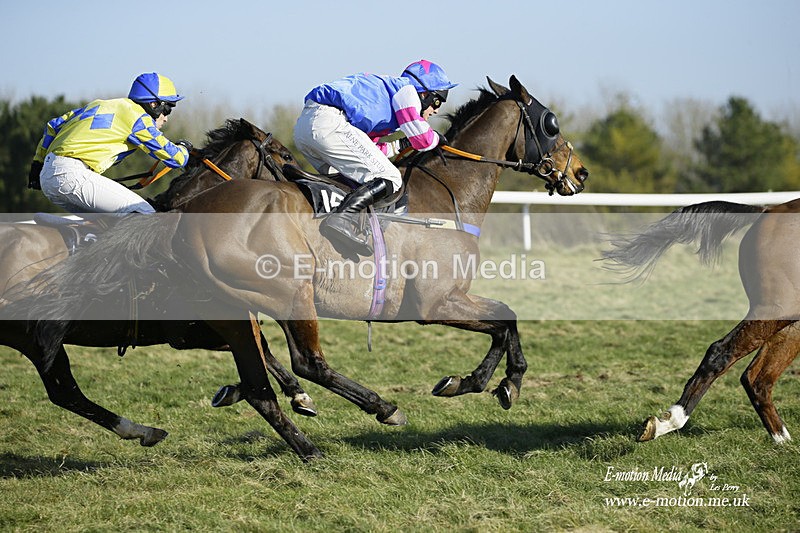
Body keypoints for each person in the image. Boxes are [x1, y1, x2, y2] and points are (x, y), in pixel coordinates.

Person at [294, 59, 457, 256]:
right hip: (328, 122)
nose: (436, 110)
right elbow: (423, 139)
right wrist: (437, 138)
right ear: (424, 93)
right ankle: (343, 218)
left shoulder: (385, 102)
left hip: (307, 128)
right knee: (392, 178)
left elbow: (370, 151)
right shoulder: (407, 92)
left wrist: (400, 144)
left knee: (352, 182)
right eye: (437, 101)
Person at [29, 72, 193, 215]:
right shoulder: (137, 116)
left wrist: (37, 164)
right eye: (167, 109)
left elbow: (53, 126)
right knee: (147, 216)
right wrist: (184, 149)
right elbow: (175, 158)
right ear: (154, 104)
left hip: (48, 179)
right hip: (71, 175)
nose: (166, 118)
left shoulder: (99, 104)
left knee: (105, 225)